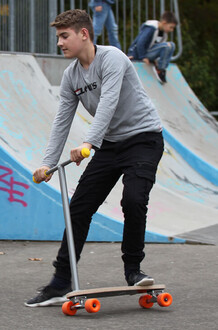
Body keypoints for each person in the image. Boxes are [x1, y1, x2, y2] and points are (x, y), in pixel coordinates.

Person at [25, 9, 164, 308]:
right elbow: (62, 120)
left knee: (134, 199)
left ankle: (133, 270)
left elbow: (109, 102)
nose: (60, 43)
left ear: (83, 34)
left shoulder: (112, 58)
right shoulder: (71, 75)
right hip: (111, 145)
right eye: (59, 37)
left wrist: (89, 142)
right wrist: (48, 163)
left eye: (65, 36)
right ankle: (61, 282)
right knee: (79, 208)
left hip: (143, 139)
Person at [127, 11, 178, 83]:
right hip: (137, 54)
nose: (171, 30)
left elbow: (156, 47)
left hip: (148, 53)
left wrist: (155, 60)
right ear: (164, 23)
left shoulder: (164, 34)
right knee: (167, 46)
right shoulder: (151, 28)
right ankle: (160, 70)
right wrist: (143, 57)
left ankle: (162, 68)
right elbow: (140, 43)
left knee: (172, 45)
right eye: (171, 27)